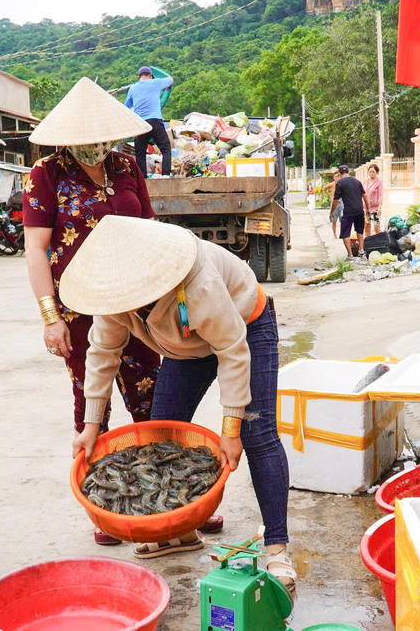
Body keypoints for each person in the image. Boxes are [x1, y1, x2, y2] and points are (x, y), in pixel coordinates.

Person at [64, 216, 296, 595]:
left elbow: (232, 350)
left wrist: (230, 428)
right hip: (185, 346)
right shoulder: (115, 295)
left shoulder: (197, 281)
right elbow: (103, 351)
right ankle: (180, 532)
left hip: (244, 327)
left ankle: (277, 545)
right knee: (160, 433)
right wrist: (91, 426)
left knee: (258, 434)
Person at [22, 77, 169, 546]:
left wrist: (166, 297)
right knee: (92, 402)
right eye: (85, 140)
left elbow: (149, 229)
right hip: (79, 305)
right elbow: (35, 249)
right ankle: (104, 506)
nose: (95, 147)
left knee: (154, 395)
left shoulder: (127, 164)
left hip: (137, 299)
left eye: (101, 138)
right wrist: (50, 317)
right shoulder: (46, 172)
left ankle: (166, 498)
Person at [124, 66, 174, 177]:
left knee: (140, 153)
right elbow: (171, 79)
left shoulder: (133, 88)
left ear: (139, 77)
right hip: (155, 120)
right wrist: (166, 86)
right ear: (150, 76)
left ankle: (143, 179)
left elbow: (126, 105)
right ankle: (166, 175)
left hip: (140, 123)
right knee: (165, 148)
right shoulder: (155, 82)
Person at [330, 164, 369, 257]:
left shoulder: (340, 183)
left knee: (345, 233)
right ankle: (361, 251)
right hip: (360, 210)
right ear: (348, 172)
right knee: (359, 232)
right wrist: (367, 209)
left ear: (339, 174)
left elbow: (336, 200)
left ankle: (350, 255)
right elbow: (365, 196)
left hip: (348, 211)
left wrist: (332, 211)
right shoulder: (357, 181)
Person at [362, 164, 384, 237]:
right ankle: (369, 244)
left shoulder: (379, 182)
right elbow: (362, 193)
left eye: (373, 172)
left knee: (376, 226)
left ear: (377, 172)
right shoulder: (365, 181)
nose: (371, 173)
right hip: (366, 209)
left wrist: (379, 208)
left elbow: (380, 195)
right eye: (370, 171)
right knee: (367, 226)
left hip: (375, 209)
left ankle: (380, 243)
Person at [326, 169, 342, 237]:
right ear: (334, 177)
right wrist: (329, 196)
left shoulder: (342, 184)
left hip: (341, 203)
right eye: (336, 176)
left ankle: (342, 234)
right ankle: (334, 234)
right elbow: (324, 188)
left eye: (338, 176)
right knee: (334, 220)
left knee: (342, 220)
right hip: (334, 203)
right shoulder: (332, 184)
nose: (337, 178)